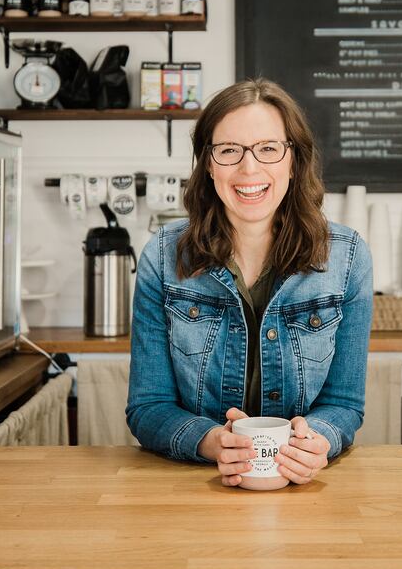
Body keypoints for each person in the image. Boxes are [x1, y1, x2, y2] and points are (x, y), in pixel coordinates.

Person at [126, 78, 372, 487]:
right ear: (207, 163)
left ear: (293, 161)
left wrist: (318, 442)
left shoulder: (347, 258)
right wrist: (209, 441)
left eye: (268, 149)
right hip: (191, 493)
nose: (249, 169)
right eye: (228, 151)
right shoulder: (164, 256)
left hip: (302, 494)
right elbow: (148, 407)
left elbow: (344, 404)